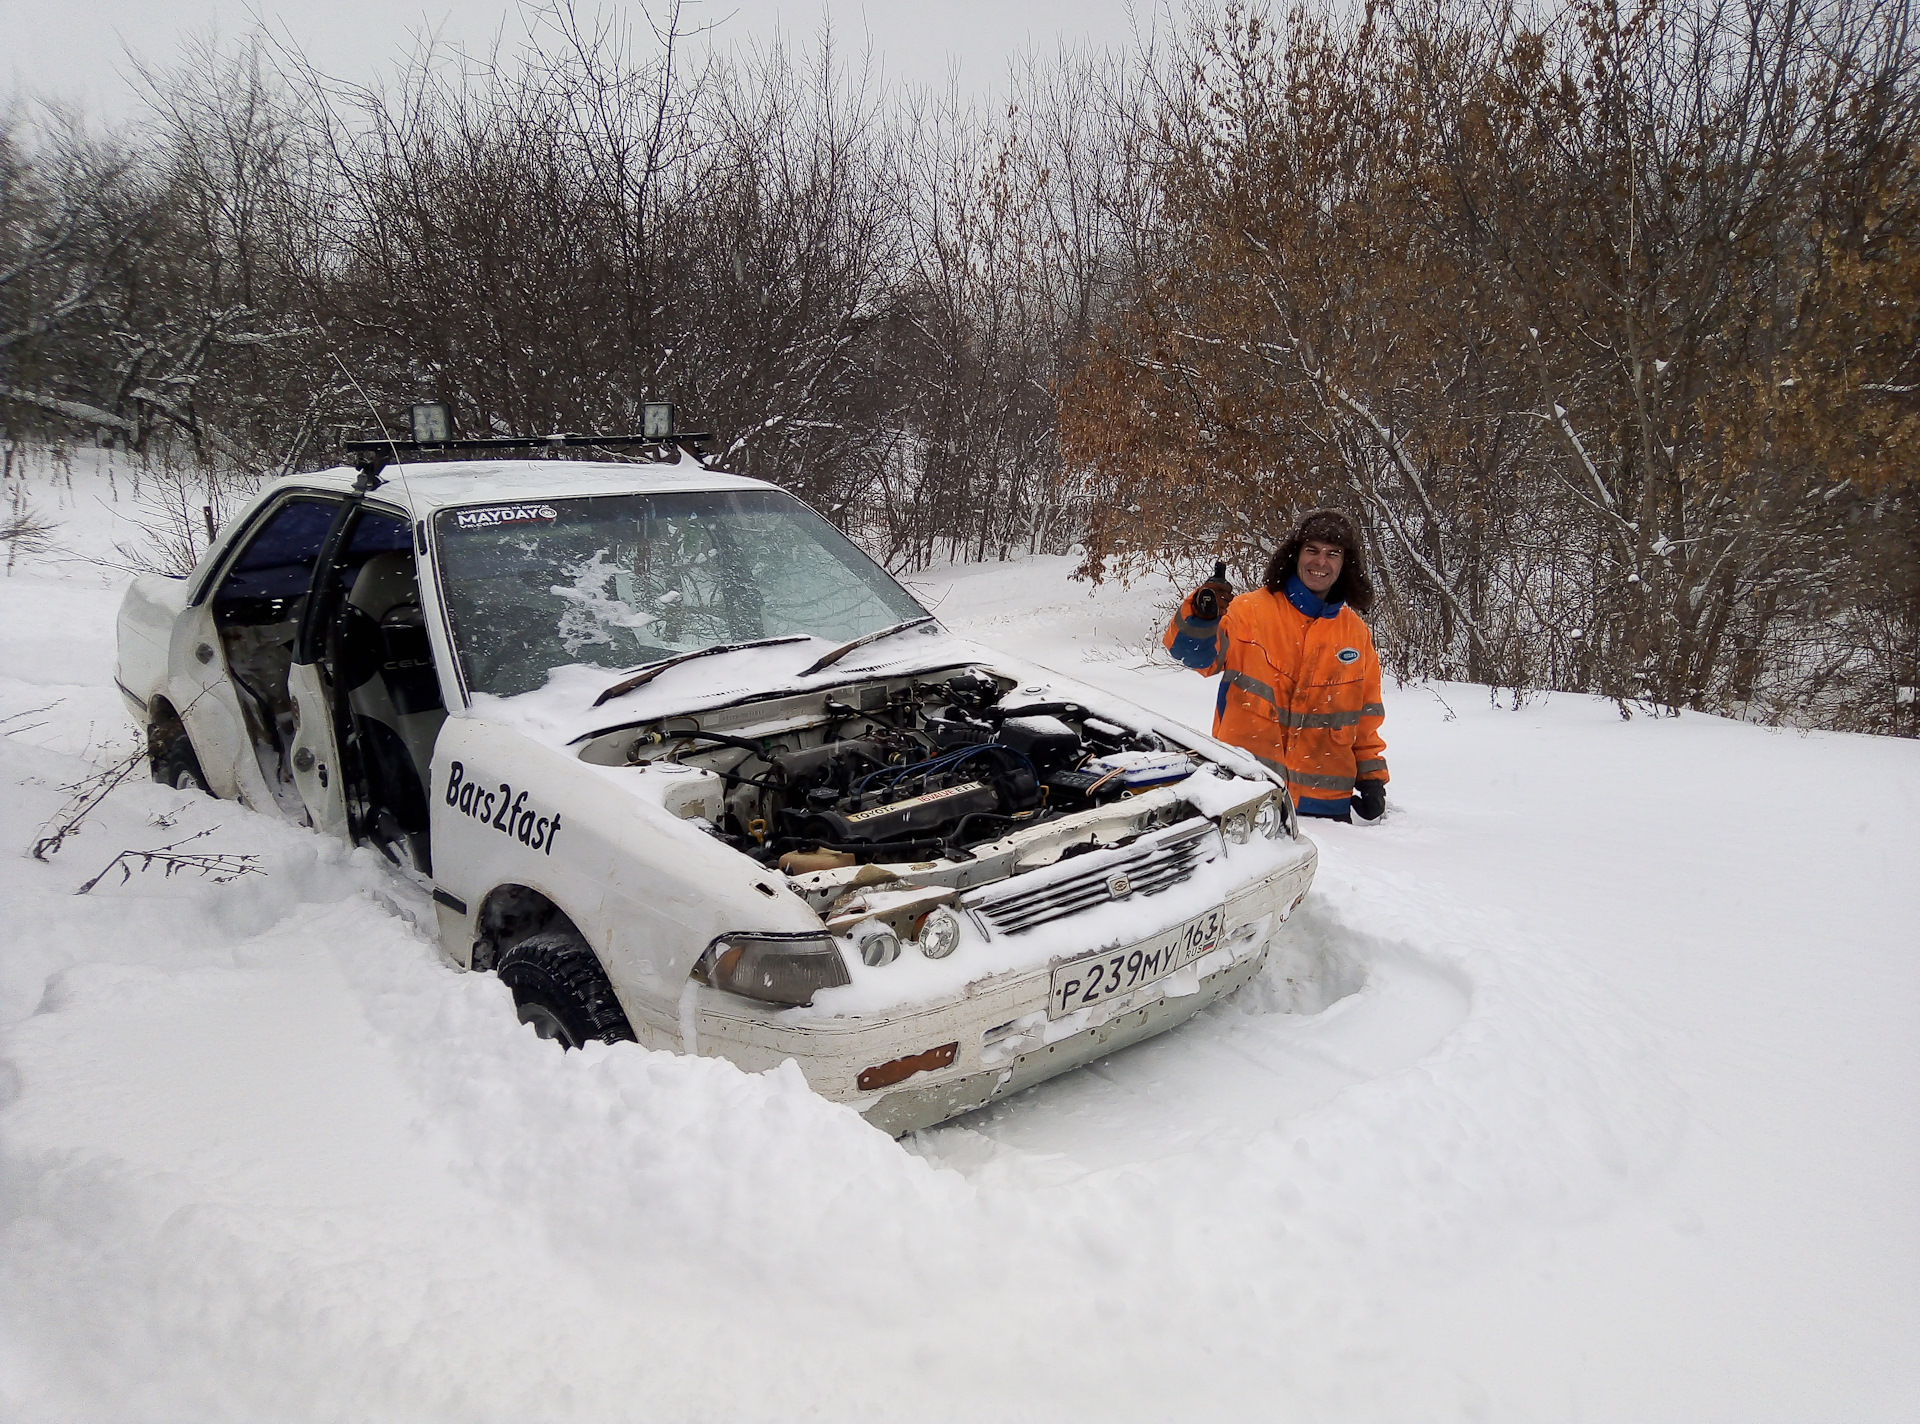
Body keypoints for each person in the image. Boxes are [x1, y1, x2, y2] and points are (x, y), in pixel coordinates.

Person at [1164, 510, 1388, 822]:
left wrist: (1372, 778)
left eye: (1332, 553)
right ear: (1295, 555)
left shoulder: (1355, 632)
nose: (1321, 561)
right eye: (1312, 550)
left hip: (1327, 807)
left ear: (1345, 563)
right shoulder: (1249, 612)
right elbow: (1193, 656)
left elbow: (1365, 716)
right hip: (1249, 795)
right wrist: (1202, 617)